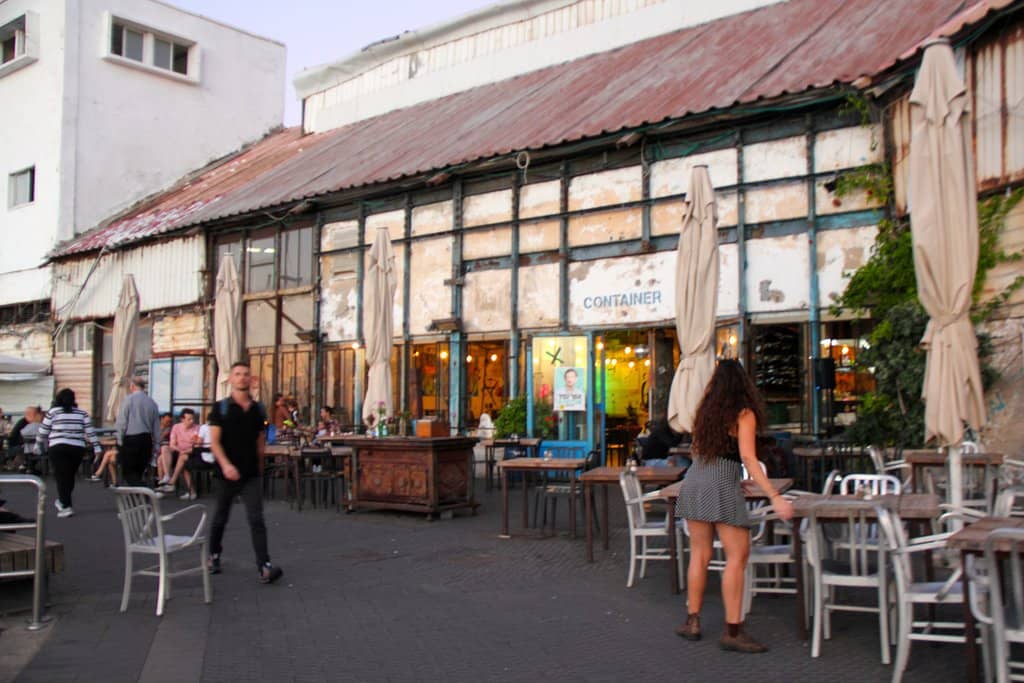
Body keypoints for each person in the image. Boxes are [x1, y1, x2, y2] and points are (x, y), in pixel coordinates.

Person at [674, 359, 794, 653]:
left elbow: (698, 451)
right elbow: (749, 459)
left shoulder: (705, 413)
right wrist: (774, 496)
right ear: (744, 384)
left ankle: (692, 621)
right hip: (720, 484)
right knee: (737, 556)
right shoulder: (743, 413)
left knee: (699, 555)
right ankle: (733, 631)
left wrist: (727, 475)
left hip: (695, 479)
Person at [208, 361, 283, 584]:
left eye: (246, 375)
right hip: (226, 474)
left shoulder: (258, 409)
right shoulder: (220, 408)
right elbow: (214, 442)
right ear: (230, 379)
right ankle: (214, 555)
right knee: (221, 516)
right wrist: (225, 465)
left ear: (251, 380)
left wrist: (260, 469)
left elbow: (260, 441)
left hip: (250, 474)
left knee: (256, 519)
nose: (242, 378)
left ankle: (264, 566)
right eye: (238, 374)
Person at [36, 388, 102, 518]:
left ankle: (65, 505)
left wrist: (38, 445)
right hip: (77, 448)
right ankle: (64, 502)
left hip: (57, 447)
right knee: (69, 476)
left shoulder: (53, 412)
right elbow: (90, 432)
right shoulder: (82, 413)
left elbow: (43, 432)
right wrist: (97, 447)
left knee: (61, 476)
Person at [115, 378, 162, 486]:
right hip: (146, 440)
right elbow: (156, 426)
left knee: (129, 471)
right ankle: (138, 495)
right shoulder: (152, 402)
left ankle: (141, 491)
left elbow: (122, 422)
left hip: (131, 440)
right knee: (140, 470)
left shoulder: (128, 400)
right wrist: (157, 444)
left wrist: (119, 440)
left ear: (132, 386)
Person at [158, 409, 200, 499]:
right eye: (189, 419)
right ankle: (167, 477)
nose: (192, 421)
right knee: (163, 451)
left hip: (190, 452)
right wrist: (180, 450)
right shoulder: (176, 427)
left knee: (181, 460)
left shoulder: (197, 428)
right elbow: (172, 444)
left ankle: (170, 483)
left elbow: (196, 445)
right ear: (182, 419)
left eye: (193, 419)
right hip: (178, 451)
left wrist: (185, 451)